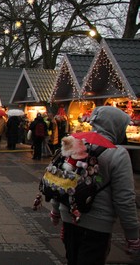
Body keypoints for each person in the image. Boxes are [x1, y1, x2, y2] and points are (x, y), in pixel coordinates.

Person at [49, 106, 140, 264]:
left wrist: (56, 210)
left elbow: (60, 179)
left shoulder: (74, 143)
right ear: (116, 126)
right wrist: (132, 235)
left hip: (69, 216)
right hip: (98, 224)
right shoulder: (117, 153)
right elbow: (124, 198)